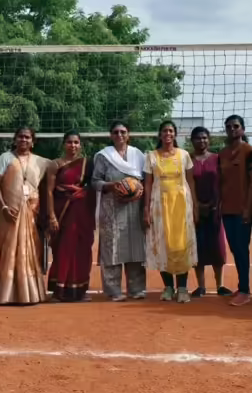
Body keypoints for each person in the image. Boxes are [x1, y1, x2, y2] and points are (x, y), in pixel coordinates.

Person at [0, 127, 51, 305]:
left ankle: (31, 293)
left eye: (27, 137)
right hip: (10, 212)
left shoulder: (42, 162)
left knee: (30, 252)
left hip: (32, 213)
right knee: (9, 252)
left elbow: (51, 181)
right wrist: (3, 207)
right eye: (20, 137)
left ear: (33, 141)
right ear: (15, 139)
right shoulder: (5, 158)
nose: (23, 140)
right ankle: (6, 294)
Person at [143, 121, 198, 302]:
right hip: (159, 204)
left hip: (182, 205)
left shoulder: (184, 155)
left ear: (175, 134)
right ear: (159, 135)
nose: (168, 133)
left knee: (181, 245)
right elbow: (148, 184)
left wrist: (195, 206)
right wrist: (146, 209)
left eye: (171, 131)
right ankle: (168, 287)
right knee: (162, 244)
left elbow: (191, 182)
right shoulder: (151, 156)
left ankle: (182, 288)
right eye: (165, 131)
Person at [92, 120, 147, 301]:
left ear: (128, 134)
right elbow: (94, 182)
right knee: (111, 248)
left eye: (123, 132)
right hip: (111, 208)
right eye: (115, 132)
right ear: (110, 135)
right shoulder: (103, 156)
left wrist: (138, 189)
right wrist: (112, 185)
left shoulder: (138, 155)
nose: (119, 135)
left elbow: (146, 180)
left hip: (134, 207)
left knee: (135, 247)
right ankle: (113, 289)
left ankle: (137, 288)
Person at [45, 131, 96, 303]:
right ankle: (59, 291)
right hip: (62, 212)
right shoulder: (55, 164)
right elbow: (49, 192)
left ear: (80, 145)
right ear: (63, 144)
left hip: (82, 212)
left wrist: (83, 192)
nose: (72, 146)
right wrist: (51, 216)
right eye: (69, 142)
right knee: (62, 250)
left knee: (82, 250)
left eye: (76, 142)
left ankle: (79, 290)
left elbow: (92, 187)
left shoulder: (87, 164)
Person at [218, 115, 252, 307]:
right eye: (229, 127)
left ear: (242, 129)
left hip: (243, 209)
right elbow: (222, 182)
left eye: (236, 126)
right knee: (235, 248)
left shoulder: (250, 151)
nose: (232, 129)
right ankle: (241, 286)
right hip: (227, 208)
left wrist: (247, 207)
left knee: (242, 249)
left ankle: (245, 291)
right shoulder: (223, 153)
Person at [189, 127, 229, 297]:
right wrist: (196, 205)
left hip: (215, 208)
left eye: (204, 138)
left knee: (217, 248)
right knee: (197, 247)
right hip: (194, 209)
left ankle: (220, 285)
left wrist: (216, 203)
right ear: (192, 141)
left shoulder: (217, 158)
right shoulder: (187, 159)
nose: (202, 141)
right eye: (198, 138)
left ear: (209, 140)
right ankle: (201, 286)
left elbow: (223, 183)